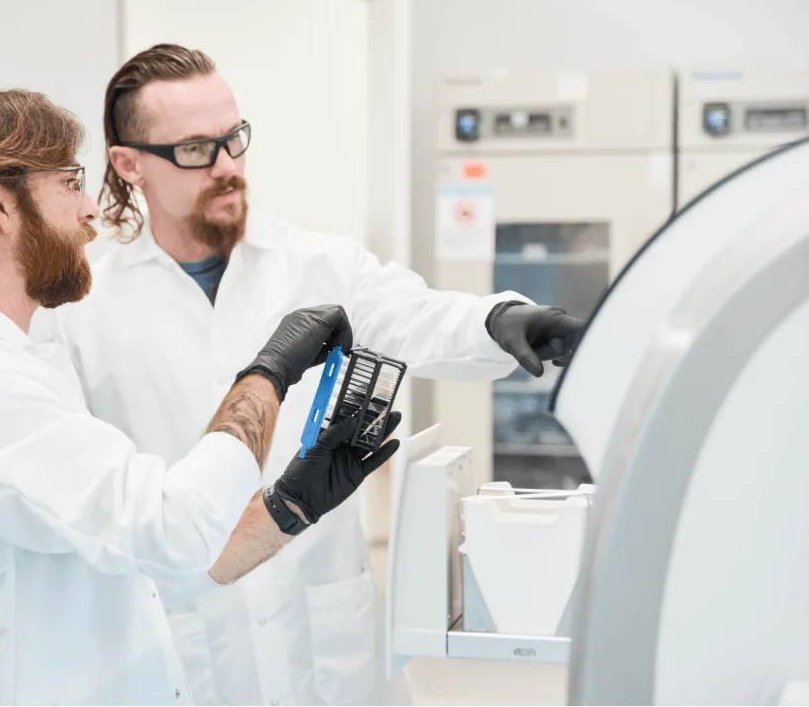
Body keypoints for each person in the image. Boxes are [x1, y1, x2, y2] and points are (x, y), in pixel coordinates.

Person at [44, 45, 585, 707]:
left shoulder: (315, 263)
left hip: (324, 639)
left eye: (234, 139)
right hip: (186, 638)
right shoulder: (83, 310)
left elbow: (416, 315)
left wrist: (500, 319)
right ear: (130, 165)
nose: (227, 165)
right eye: (195, 149)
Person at [0, 86, 402, 706]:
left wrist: (290, 506)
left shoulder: (12, 362)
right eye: (69, 184)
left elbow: (152, 568)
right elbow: (171, 527)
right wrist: (269, 373)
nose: (91, 209)